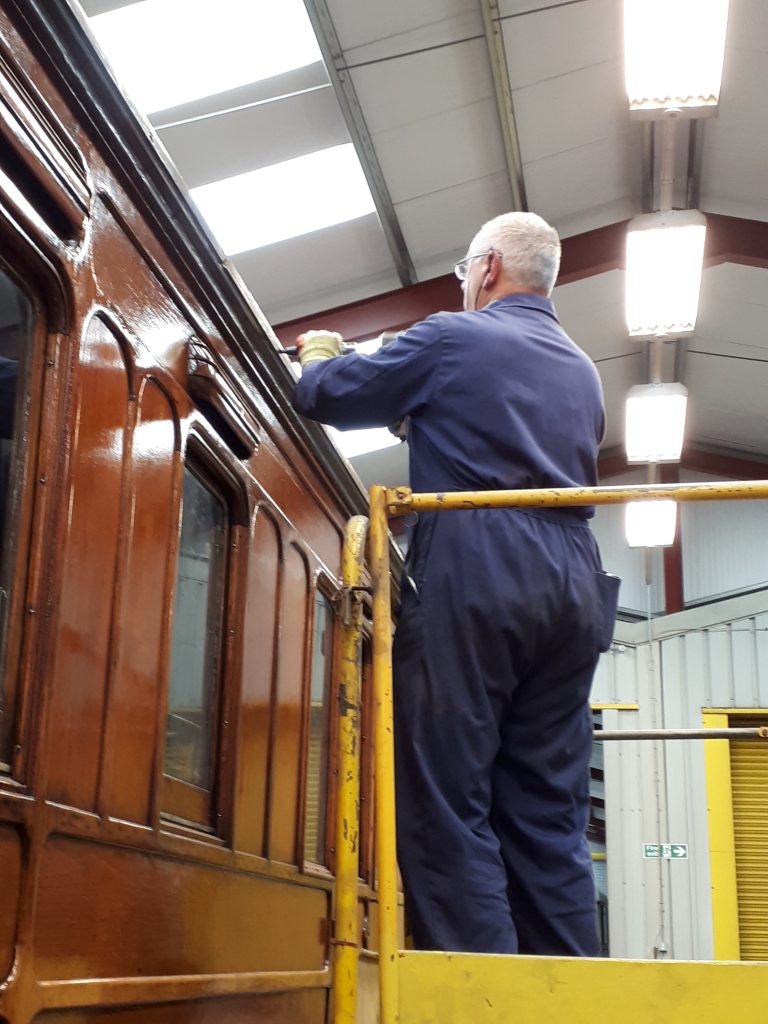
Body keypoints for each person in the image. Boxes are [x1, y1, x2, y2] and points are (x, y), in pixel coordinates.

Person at [292, 212, 619, 957]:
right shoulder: (580, 367)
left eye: (466, 271)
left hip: (481, 558)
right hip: (574, 576)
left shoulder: (453, 336)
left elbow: (331, 398)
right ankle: (572, 1001)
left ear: (490, 266)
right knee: (545, 812)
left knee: (444, 799)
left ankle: (479, 997)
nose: (465, 284)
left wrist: (316, 357)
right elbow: (498, 428)